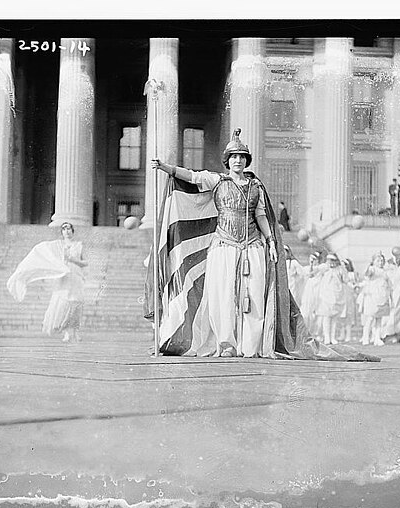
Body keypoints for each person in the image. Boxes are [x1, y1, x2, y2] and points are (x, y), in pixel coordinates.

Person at [148, 129, 375, 361]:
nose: (238, 160)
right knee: (223, 297)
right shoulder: (217, 180)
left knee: (254, 297)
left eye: (242, 157)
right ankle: (226, 344)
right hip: (224, 247)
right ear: (227, 161)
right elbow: (193, 177)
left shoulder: (255, 186)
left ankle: (251, 345)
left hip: (253, 247)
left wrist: (271, 242)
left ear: (247, 160)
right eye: (234, 157)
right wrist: (166, 167)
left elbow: (261, 216)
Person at [7, 222, 88, 342]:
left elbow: (85, 263)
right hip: (64, 277)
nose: (67, 231)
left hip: (76, 276)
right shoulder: (57, 246)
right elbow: (44, 253)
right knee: (64, 303)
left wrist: (72, 259)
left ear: (73, 231)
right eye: (64, 229)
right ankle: (66, 331)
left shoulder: (79, 245)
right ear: (61, 232)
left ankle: (75, 331)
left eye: (69, 228)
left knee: (76, 303)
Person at [358, 253, 392, 346]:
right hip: (372, 296)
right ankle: (366, 337)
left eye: (382, 261)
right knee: (370, 318)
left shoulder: (385, 272)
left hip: (382, 296)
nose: (380, 263)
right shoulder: (373, 269)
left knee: (379, 319)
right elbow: (367, 274)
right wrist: (369, 268)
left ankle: (377, 338)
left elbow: (388, 284)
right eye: (378, 260)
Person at [381, 240, 400, 343]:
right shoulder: (388, 264)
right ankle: (387, 333)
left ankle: (398, 333)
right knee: (391, 311)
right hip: (392, 290)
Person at [316, 254, 346, 345]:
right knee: (326, 317)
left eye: (333, 260)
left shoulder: (339, 270)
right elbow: (316, 273)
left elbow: (345, 279)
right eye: (330, 260)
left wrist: (342, 269)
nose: (332, 263)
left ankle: (333, 337)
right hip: (326, 295)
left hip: (337, 294)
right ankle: (327, 337)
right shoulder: (325, 269)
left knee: (334, 318)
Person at [299, 251, 324, 342]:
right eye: (311, 259)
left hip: (319, 292)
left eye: (315, 259)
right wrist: (310, 264)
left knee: (318, 313)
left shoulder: (322, 267)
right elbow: (309, 273)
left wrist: (313, 265)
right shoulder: (307, 268)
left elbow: (315, 271)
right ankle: (307, 332)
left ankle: (318, 333)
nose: (313, 261)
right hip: (309, 293)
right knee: (306, 312)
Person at [336, 258, 359, 343]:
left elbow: (354, 284)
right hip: (342, 295)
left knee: (349, 316)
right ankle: (342, 334)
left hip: (349, 296)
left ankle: (348, 335)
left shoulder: (352, 274)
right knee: (342, 316)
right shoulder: (339, 273)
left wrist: (354, 288)